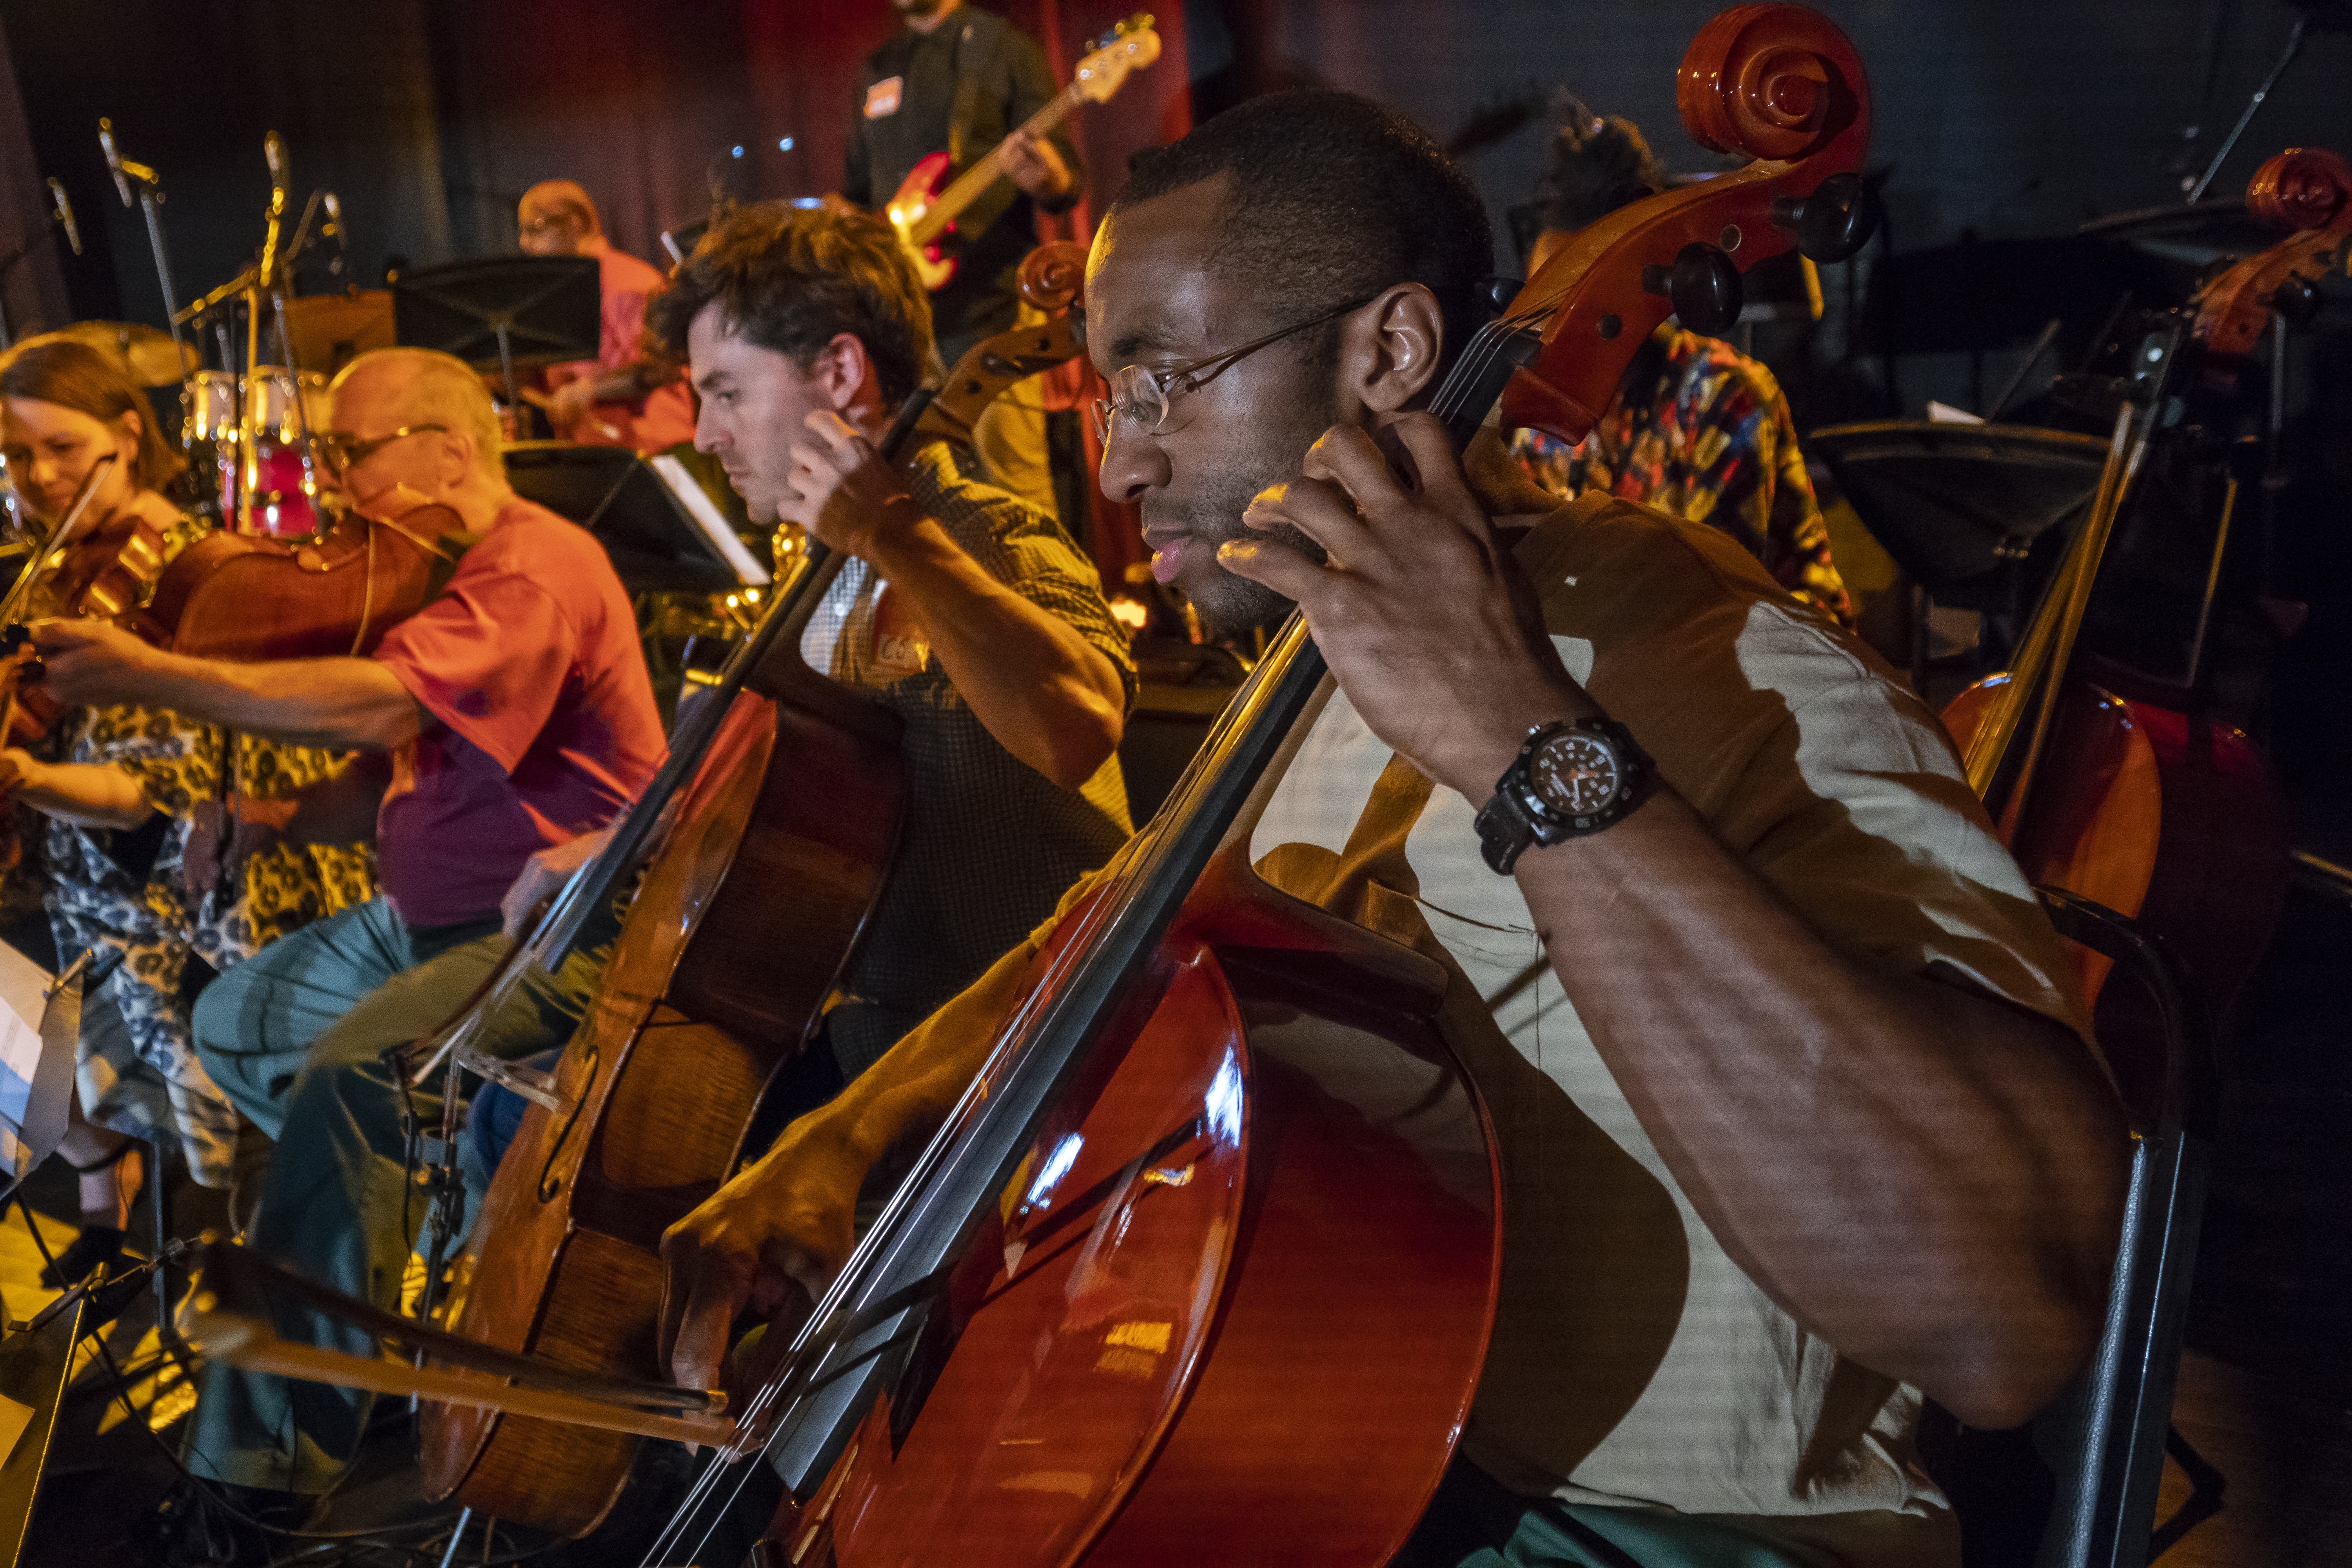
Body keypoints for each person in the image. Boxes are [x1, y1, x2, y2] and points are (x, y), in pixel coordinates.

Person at [659, 92, 2130, 1568]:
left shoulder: (1729, 669)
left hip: (1658, 1530)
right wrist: (859, 1133)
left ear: (1390, 354)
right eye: (1111, 397)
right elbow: (1124, 924)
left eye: (1164, 381)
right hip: (1363, 1467)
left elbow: (2000, 1316)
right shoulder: (1312, 675)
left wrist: (1520, 738)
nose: (1117, 464)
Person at [29, 345, 667, 1547]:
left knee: (350, 1078)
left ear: (448, 446)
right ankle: (384, 1257)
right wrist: (269, 819)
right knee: (236, 1023)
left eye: (352, 455)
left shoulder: (530, 566)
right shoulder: (437, 575)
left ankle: (256, 1480)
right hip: (420, 923)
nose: (332, 490)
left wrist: (162, 675)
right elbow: (392, 767)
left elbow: (388, 707)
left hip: (548, 931)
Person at [636, 198, 1133, 1089]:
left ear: (837, 370)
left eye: (726, 392)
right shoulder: (819, 570)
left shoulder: (989, 535)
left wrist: (897, 537)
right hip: (873, 1033)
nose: (706, 435)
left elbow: (1079, 726)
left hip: (1022, 1052)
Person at [0, 340, 374, 1286]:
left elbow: (146, 795)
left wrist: (18, 775)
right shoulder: (57, 573)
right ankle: (146, 1225)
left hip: (192, 900)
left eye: (61, 449)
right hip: (96, 896)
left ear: (129, 434)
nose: (40, 477)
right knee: (101, 1084)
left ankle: (262, 1302)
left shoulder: (189, 572)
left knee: (232, 1140)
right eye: (16, 456)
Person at [1511, 98, 1853, 625]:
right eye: (1544, 302)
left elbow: (1705, 603)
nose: (1553, 332)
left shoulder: (1725, 396)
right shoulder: (1545, 423)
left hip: (1783, 676)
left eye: (1575, 307)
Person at [842, 0, 1082, 519]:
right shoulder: (879, 67)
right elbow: (857, 191)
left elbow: (1065, 182)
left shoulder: (1004, 48)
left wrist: (1049, 178)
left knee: (1014, 484)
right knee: (927, 489)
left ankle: (1050, 599)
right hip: (904, 318)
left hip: (992, 304)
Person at [515, 178, 698, 452]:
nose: (525, 243)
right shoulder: (565, 292)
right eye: (522, 231)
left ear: (574, 224)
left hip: (654, 449)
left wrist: (589, 389)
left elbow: (663, 368)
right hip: (601, 450)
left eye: (535, 229)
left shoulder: (628, 283)